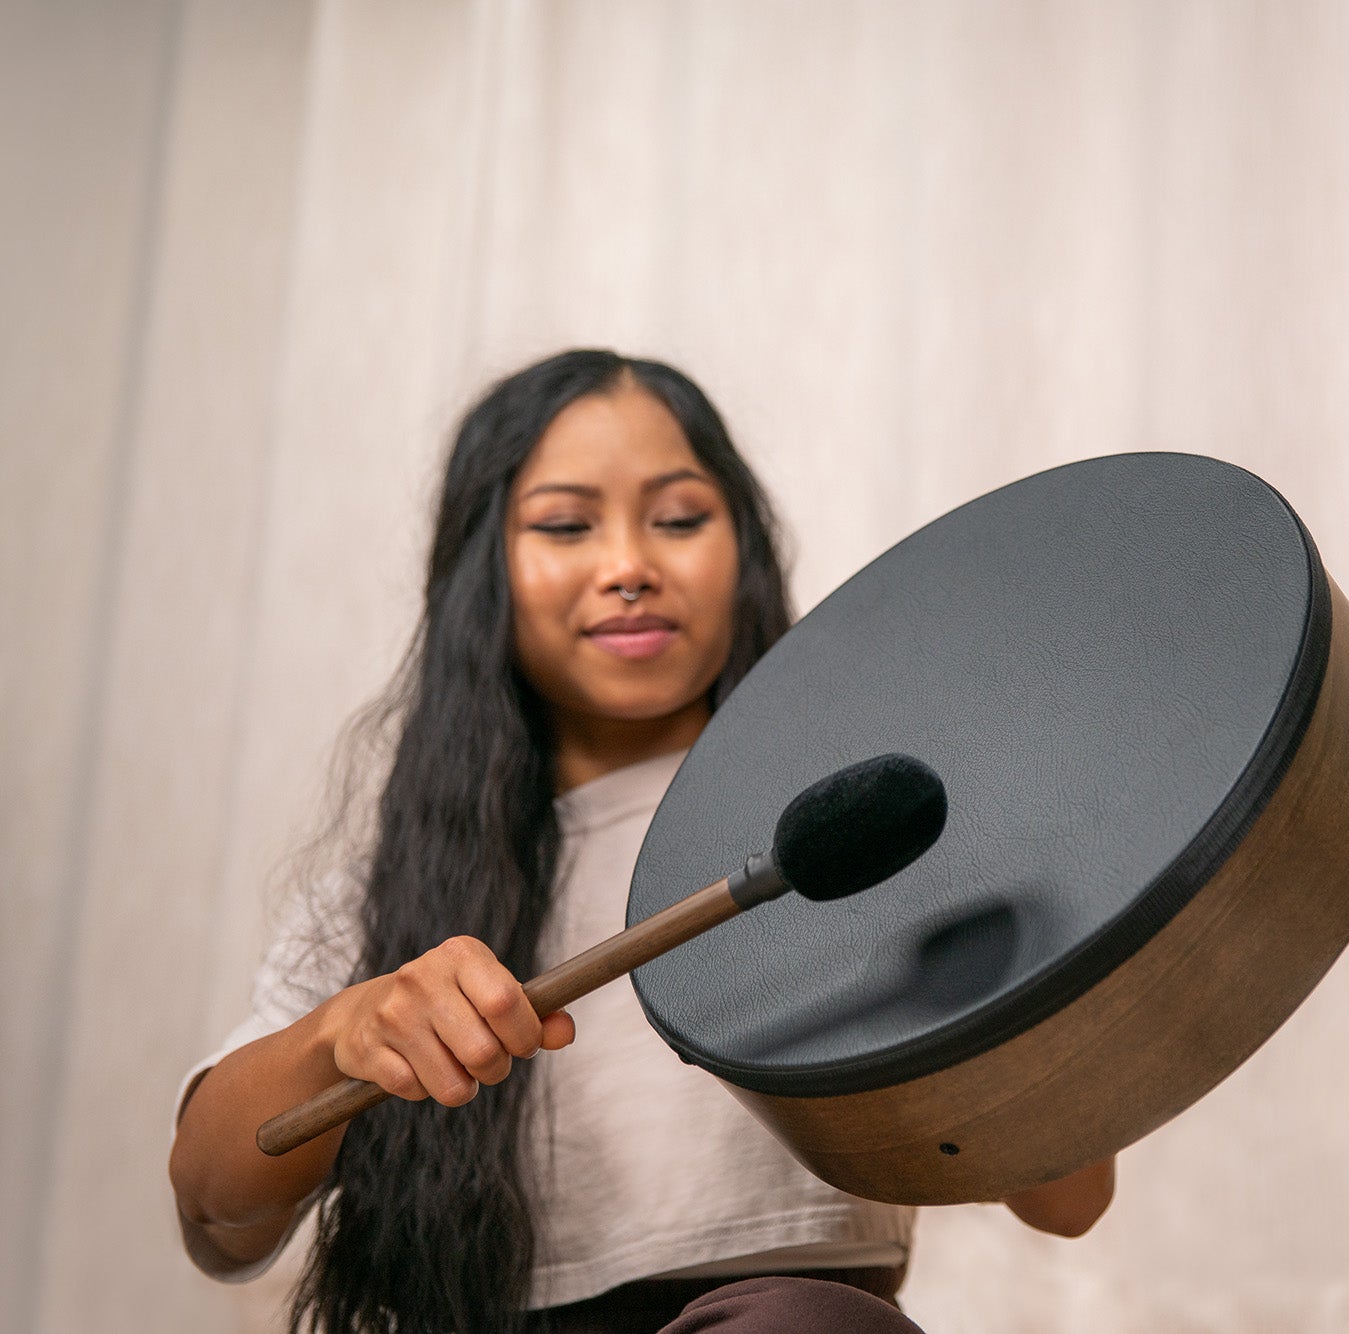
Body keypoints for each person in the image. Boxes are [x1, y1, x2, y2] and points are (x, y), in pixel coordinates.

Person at [168, 349, 1115, 1334]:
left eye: (677, 519)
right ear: (480, 571)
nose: (629, 565)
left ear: (742, 547)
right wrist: (340, 1033)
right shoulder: (394, 880)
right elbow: (214, 1211)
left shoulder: (855, 827)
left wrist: (992, 956)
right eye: (566, 525)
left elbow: (1070, 1197)